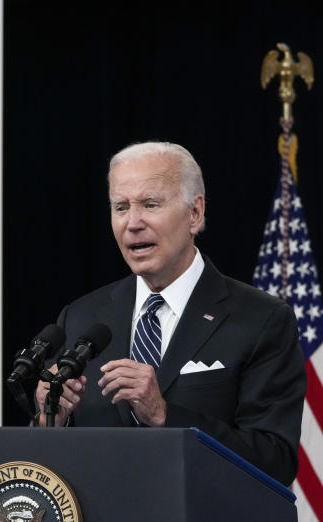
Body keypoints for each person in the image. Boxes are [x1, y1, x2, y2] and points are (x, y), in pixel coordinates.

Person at [33, 141, 305, 485]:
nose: (132, 223)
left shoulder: (261, 320)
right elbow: (47, 465)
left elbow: (275, 461)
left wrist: (166, 416)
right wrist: (51, 421)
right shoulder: (81, 318)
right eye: (120, 207)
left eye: (150, 204)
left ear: (195, 213)